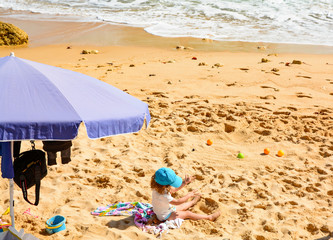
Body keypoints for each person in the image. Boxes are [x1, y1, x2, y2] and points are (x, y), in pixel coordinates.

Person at [151, 167, 220, 222]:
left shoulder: (157, 188)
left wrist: (184, 183)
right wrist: (188, 195)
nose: (171, 186)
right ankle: (209, 217)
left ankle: (192, 202)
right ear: (164, 186)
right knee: (187, 213)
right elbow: (178, 202)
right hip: (165, 216)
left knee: (182, 207)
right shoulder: (163, 196)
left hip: (166, 209)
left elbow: (174, 190)